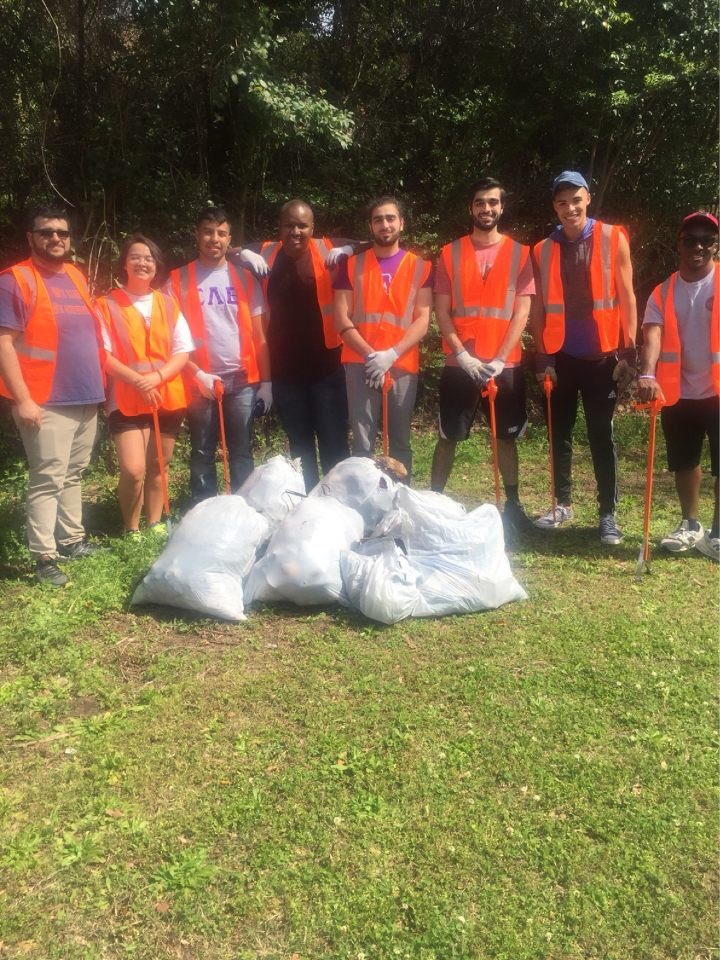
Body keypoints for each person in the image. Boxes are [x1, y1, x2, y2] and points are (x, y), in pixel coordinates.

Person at [0, 205, 105, 586]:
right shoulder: (16, 280)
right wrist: (23, 399)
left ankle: (72, 539)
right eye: (46, 232)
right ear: (31, 238)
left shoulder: (75, 276)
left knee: (73, 473)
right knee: (47, 478)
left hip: (85, 395)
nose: (56, 238)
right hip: (45, 399)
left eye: (62, 232)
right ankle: (43, 556)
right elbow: (4, 344)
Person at [531, 170, 637, 544]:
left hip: (603, 357)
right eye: (562, 202)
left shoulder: (612, 237)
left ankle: (607, 514)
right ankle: (561, 503)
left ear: (588, 198)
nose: (570, 208)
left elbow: (626, 296)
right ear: (555, 207)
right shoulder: (542, 249)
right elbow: (540, 308)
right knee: (558, 433)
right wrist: (542, 356)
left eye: (576, 200)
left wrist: (629, 351)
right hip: (561, 357)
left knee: (600, 437)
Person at [430, 177, 535, 535]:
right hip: (460, 363)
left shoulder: (521, 254)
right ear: (470, 208)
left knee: (505, 437)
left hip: (504, 365)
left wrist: (502, 358)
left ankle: (514, 505)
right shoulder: (450, 253)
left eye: (492, 202)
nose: (486, 208)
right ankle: (434, 502)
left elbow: (521, 312)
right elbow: (441, 312)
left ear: (501, 207)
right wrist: (461, 354)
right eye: (479, 202)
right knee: (448, 436)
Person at [234, 199, 358, 489]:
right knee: (299, 445)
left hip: (326, 369)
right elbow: (219, 249)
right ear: (279, 227)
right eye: (289, 225)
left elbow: (369, 241)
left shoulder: (328, 247)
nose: (296, 231)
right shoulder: (264, 252)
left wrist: (349, 248)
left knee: (334, 441)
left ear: (312, 227)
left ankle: (338, 499)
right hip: (285, 373)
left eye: (303, 225)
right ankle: (309, 502)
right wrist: (242, 253)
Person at [169, 206, 271, 503]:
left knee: (241, 450)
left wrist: (267, 382)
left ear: (229, 239)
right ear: (197, 235)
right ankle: (204, 507)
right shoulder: (177, 281)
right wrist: (194, 373)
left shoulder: (245, 279)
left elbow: (259, 335)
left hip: (241, 380)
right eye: (208, 232)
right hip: (200, 380)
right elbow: (170, 341)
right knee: (201, 449)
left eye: (221, 233)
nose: (215, 239)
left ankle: (244, 507)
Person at [638, 211, 719, 561]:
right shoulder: (663, 290)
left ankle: (718, 533)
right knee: (684, 461)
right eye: (691, 240)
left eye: (706, 240)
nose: (698, 246)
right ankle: (690, 524)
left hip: (718, 390)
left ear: (715, 245)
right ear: (679, 244)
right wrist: (647, 373)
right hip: (677, 391)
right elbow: (652, 333)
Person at [96, 235, 190, 535]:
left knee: (158, 468)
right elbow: (103, 354)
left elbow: (182, 350)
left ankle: (155, 523)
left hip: (167, 397)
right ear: (125, 263)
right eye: (136, 256)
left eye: (149, 258)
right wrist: (139, 380)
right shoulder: (106, 305)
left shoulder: (168, 303)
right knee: (134, 470)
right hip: (126, 398)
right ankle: (131, 529)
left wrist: (157, 378)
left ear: (156, 265)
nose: (143, 262)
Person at [333, 196, 432, 479]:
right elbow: (342, 319)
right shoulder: (350, 266)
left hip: (401, 365)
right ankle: (363, 505)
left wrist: (391, 355)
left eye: (390, 218)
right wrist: (371, 356)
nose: (385, 224)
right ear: (370, 226)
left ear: (402, 223)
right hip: (359, 363)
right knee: (362, 444)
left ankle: (400, 500)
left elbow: (422, 320)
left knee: (400, 443)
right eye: (378, 219)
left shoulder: (420, 267)